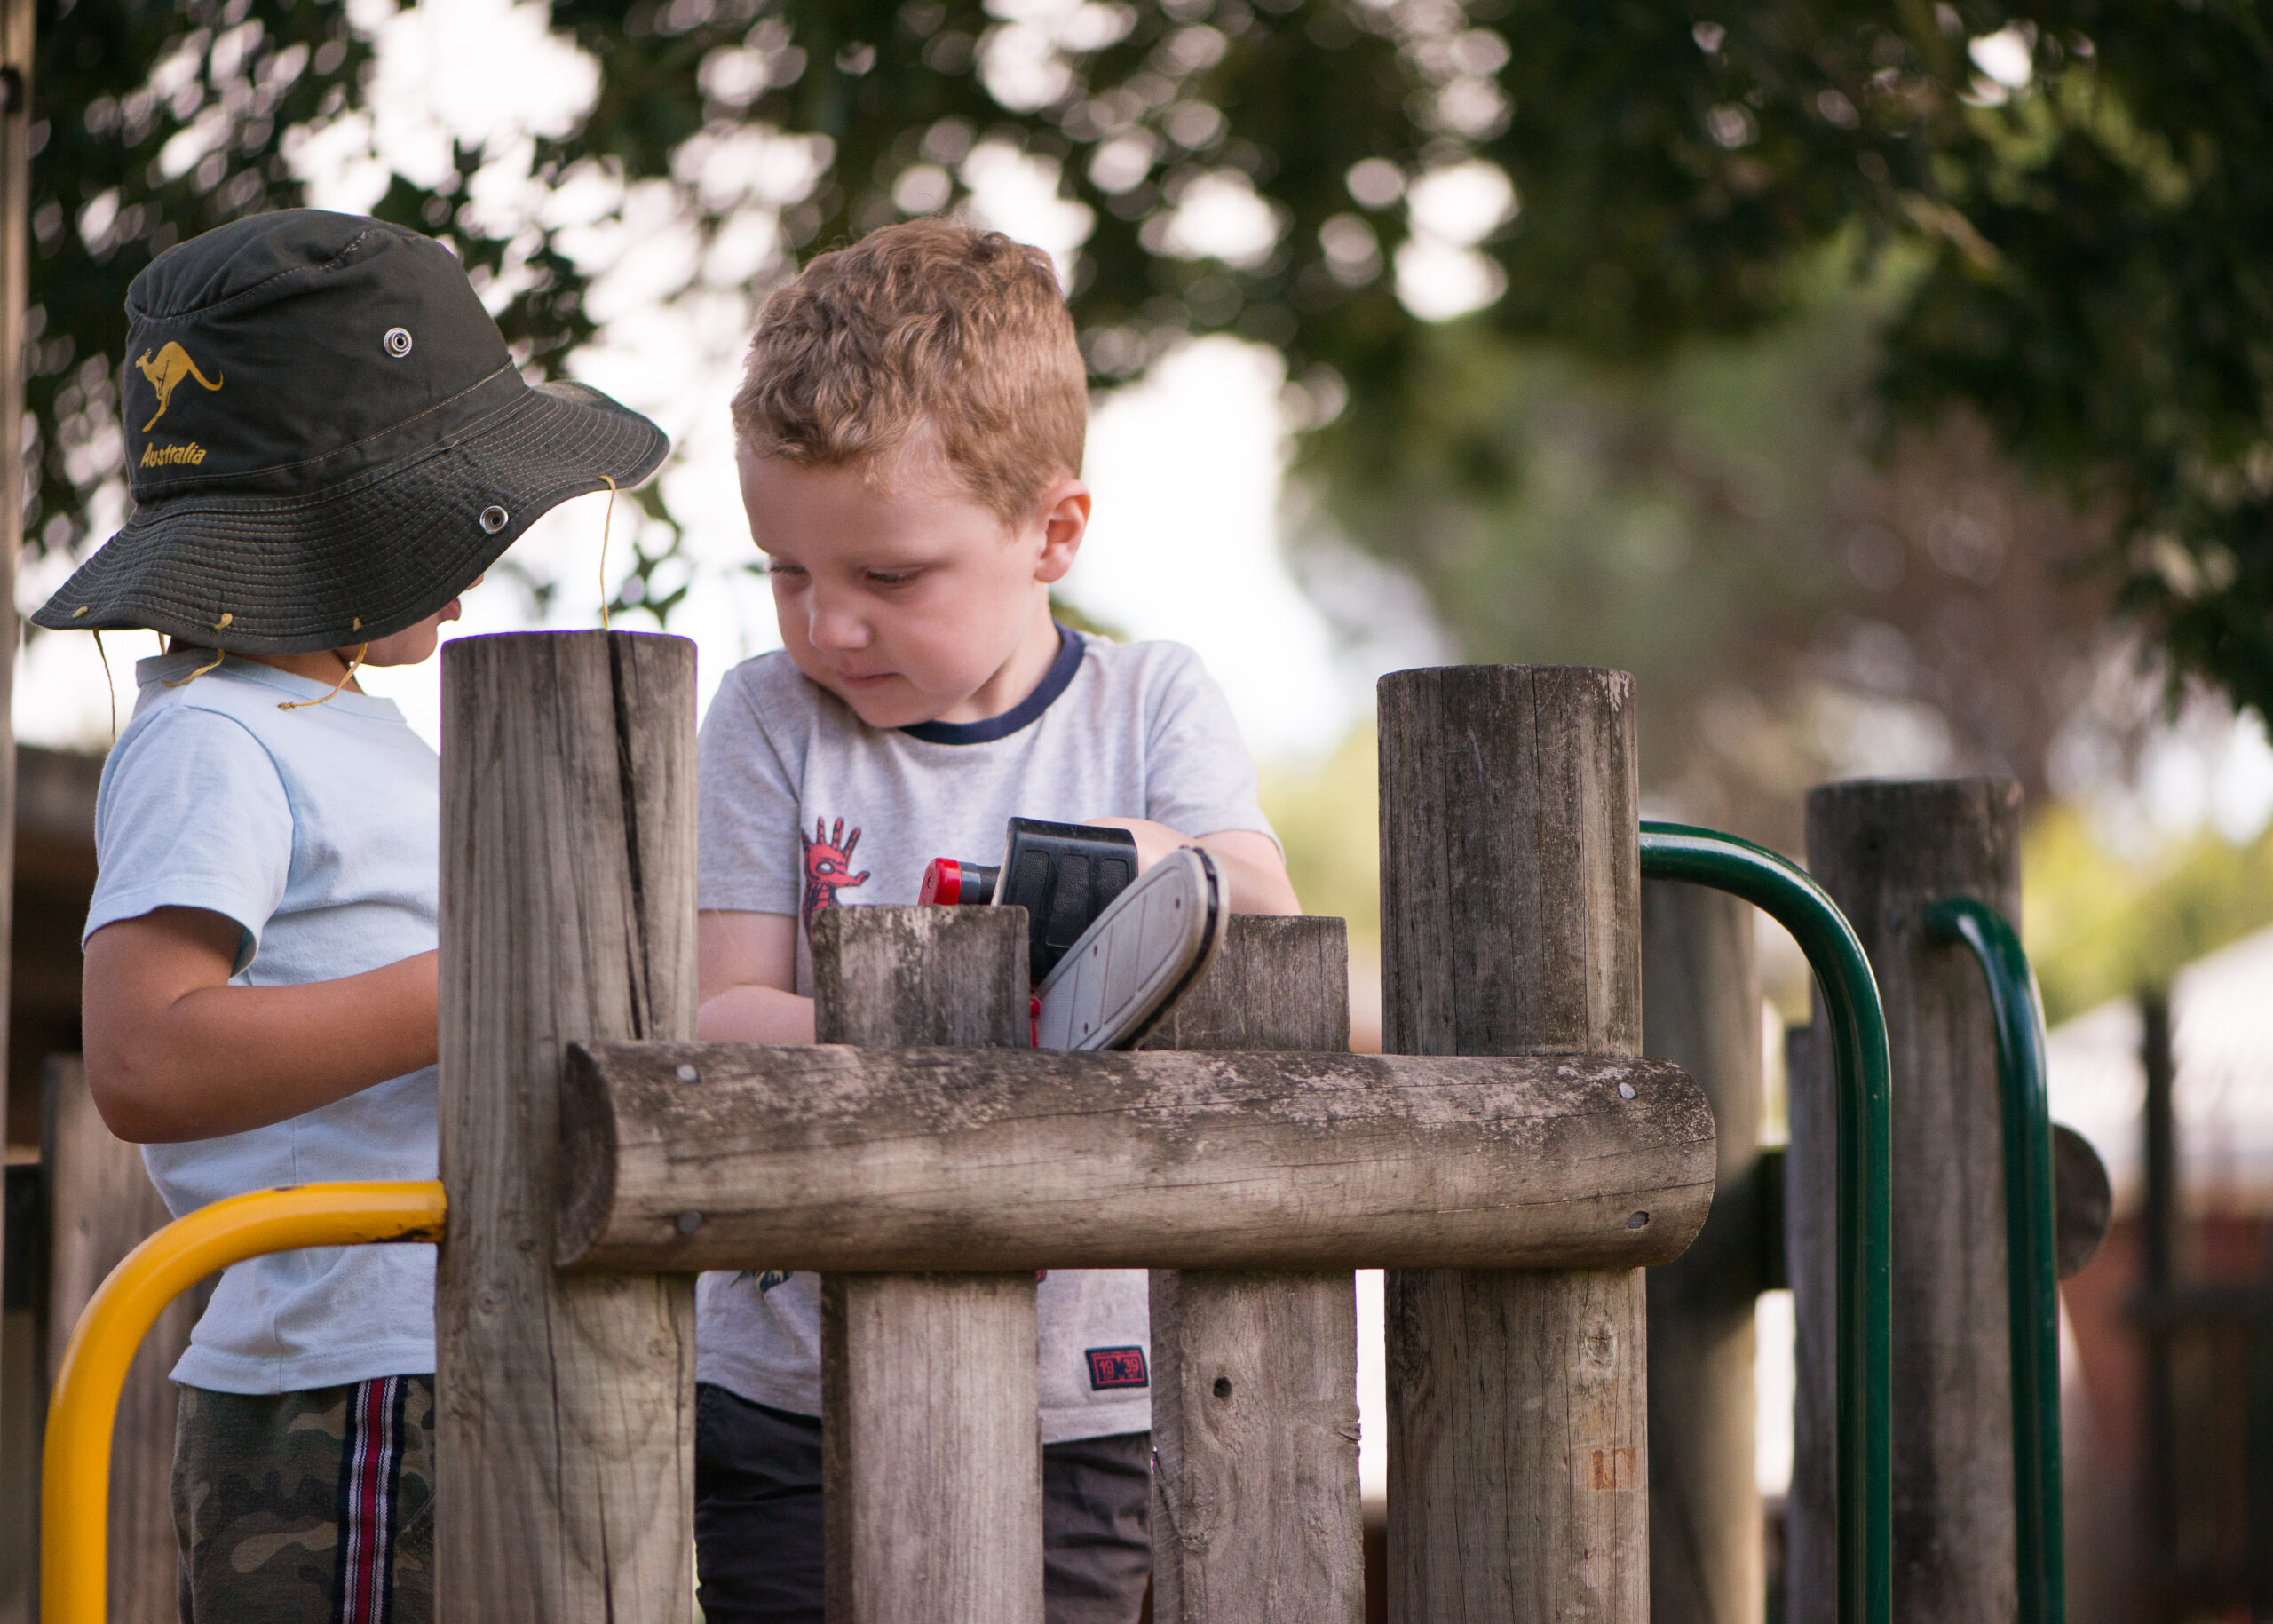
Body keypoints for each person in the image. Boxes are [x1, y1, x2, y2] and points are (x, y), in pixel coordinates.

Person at [39, 208, 668, 1623]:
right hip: (349, 1369)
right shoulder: (213, 737)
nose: (475, 557)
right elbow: (143, 1057)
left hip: (447, 1326)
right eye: (445, 517)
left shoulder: (346, 723)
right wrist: (484, 985)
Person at [693, 218, 1301, 1622]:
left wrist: (1144, 857)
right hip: (794, 1382)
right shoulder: (769, 720)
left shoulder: (1147, 705)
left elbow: (1260, 918)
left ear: (1053, 531)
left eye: (889, 577)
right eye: (787, 572)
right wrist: (987, 1030)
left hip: (1074, 1394)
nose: (828, 625)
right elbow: (724, 1009)